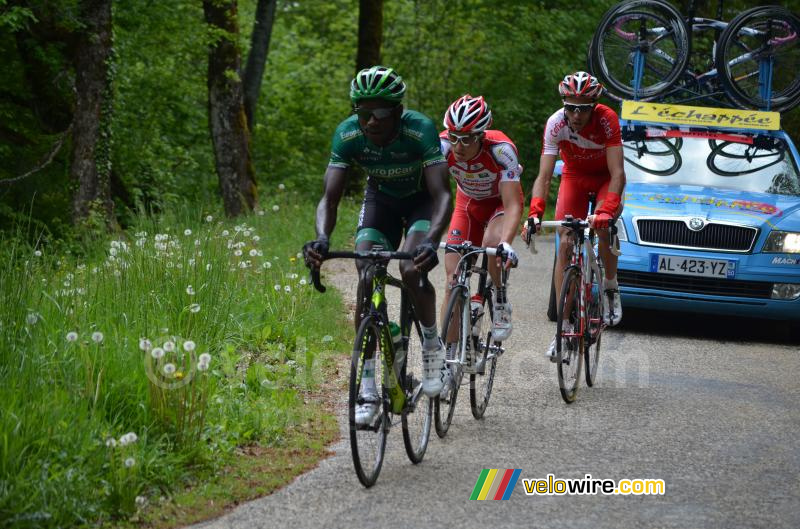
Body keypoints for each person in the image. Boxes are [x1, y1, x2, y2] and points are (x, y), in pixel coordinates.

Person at [303, 66, 453, 425]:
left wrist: (432, 241)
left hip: (420, 201)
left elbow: (443, 194)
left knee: (410, 267)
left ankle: (433, 348)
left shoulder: (419, 130)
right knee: (366, 271)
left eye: (380, 112)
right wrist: (322, 239)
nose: (370, 121)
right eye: (363, 111)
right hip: (381, 202)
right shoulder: (348, 133)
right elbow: (330, 197)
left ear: (398, 111)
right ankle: (368, 385)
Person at [522, 71, 626, 361]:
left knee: (604, 228)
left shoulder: (606, 119)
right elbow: (544, 176)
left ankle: (609, 286)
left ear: (593, 106)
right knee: (565, 242)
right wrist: (534, 213)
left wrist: (606, 211)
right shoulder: (556, 124)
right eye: (571, 107)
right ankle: (563, 328)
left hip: (605, 179)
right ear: (563, 104)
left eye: (583, 108)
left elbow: (617, 173)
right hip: (575, 178)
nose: (576, 114)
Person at [438, 94, 523, 396]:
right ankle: (448, 362)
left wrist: (507, 243)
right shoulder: (443, 147)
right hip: (468, 204)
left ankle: (499, 297)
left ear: (481, 135)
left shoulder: (501, 150)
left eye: (466, 140)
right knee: (452, 280)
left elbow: (514, 204)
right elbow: (431, 192)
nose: (458, 146)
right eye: (454, 137)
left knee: (491, 244)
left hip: (499, 204)